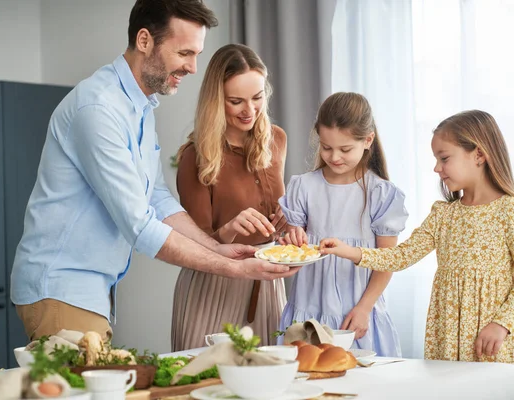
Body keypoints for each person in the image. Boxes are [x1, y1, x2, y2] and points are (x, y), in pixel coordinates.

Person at [10, 0, 299, 342]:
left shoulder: (140, 107)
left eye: (196, 55)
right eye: (184, 53)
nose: (193, 67)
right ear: (145, 40)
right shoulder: (99, 109)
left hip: (89, 290)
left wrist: (214, 248)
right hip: (61, 287)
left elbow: (158, 199)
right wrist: (232, 267)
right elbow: (139, 225)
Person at [319, 110, 514, 363]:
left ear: (478, 154)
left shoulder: (508, 212)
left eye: (444, 158)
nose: (436, 168)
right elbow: (401, 256)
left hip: (492, 340)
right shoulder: (444, 214)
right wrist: (347, 250)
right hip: (447, 336)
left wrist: (502, 323)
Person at [171, 44, 289, 350]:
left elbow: (280, 216)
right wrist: (231, 229)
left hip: (266, 285)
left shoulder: (276, 140)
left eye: (258, 98)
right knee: (203, 389)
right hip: (214, 287)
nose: (249, 111)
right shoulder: (195, 157)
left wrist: (289, 221)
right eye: (236, 101)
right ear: (216, 101)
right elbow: (193, 245)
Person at [278, 92, 407, 357]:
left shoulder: (380, 193)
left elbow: (387, 260)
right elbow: (292, 242)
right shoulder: (303, 186)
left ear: (367, 140)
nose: (334, 156)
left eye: (345, 149)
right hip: (308, 310)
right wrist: (292, 237)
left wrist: (364, 309)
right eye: (326, 147)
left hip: (357, 314)